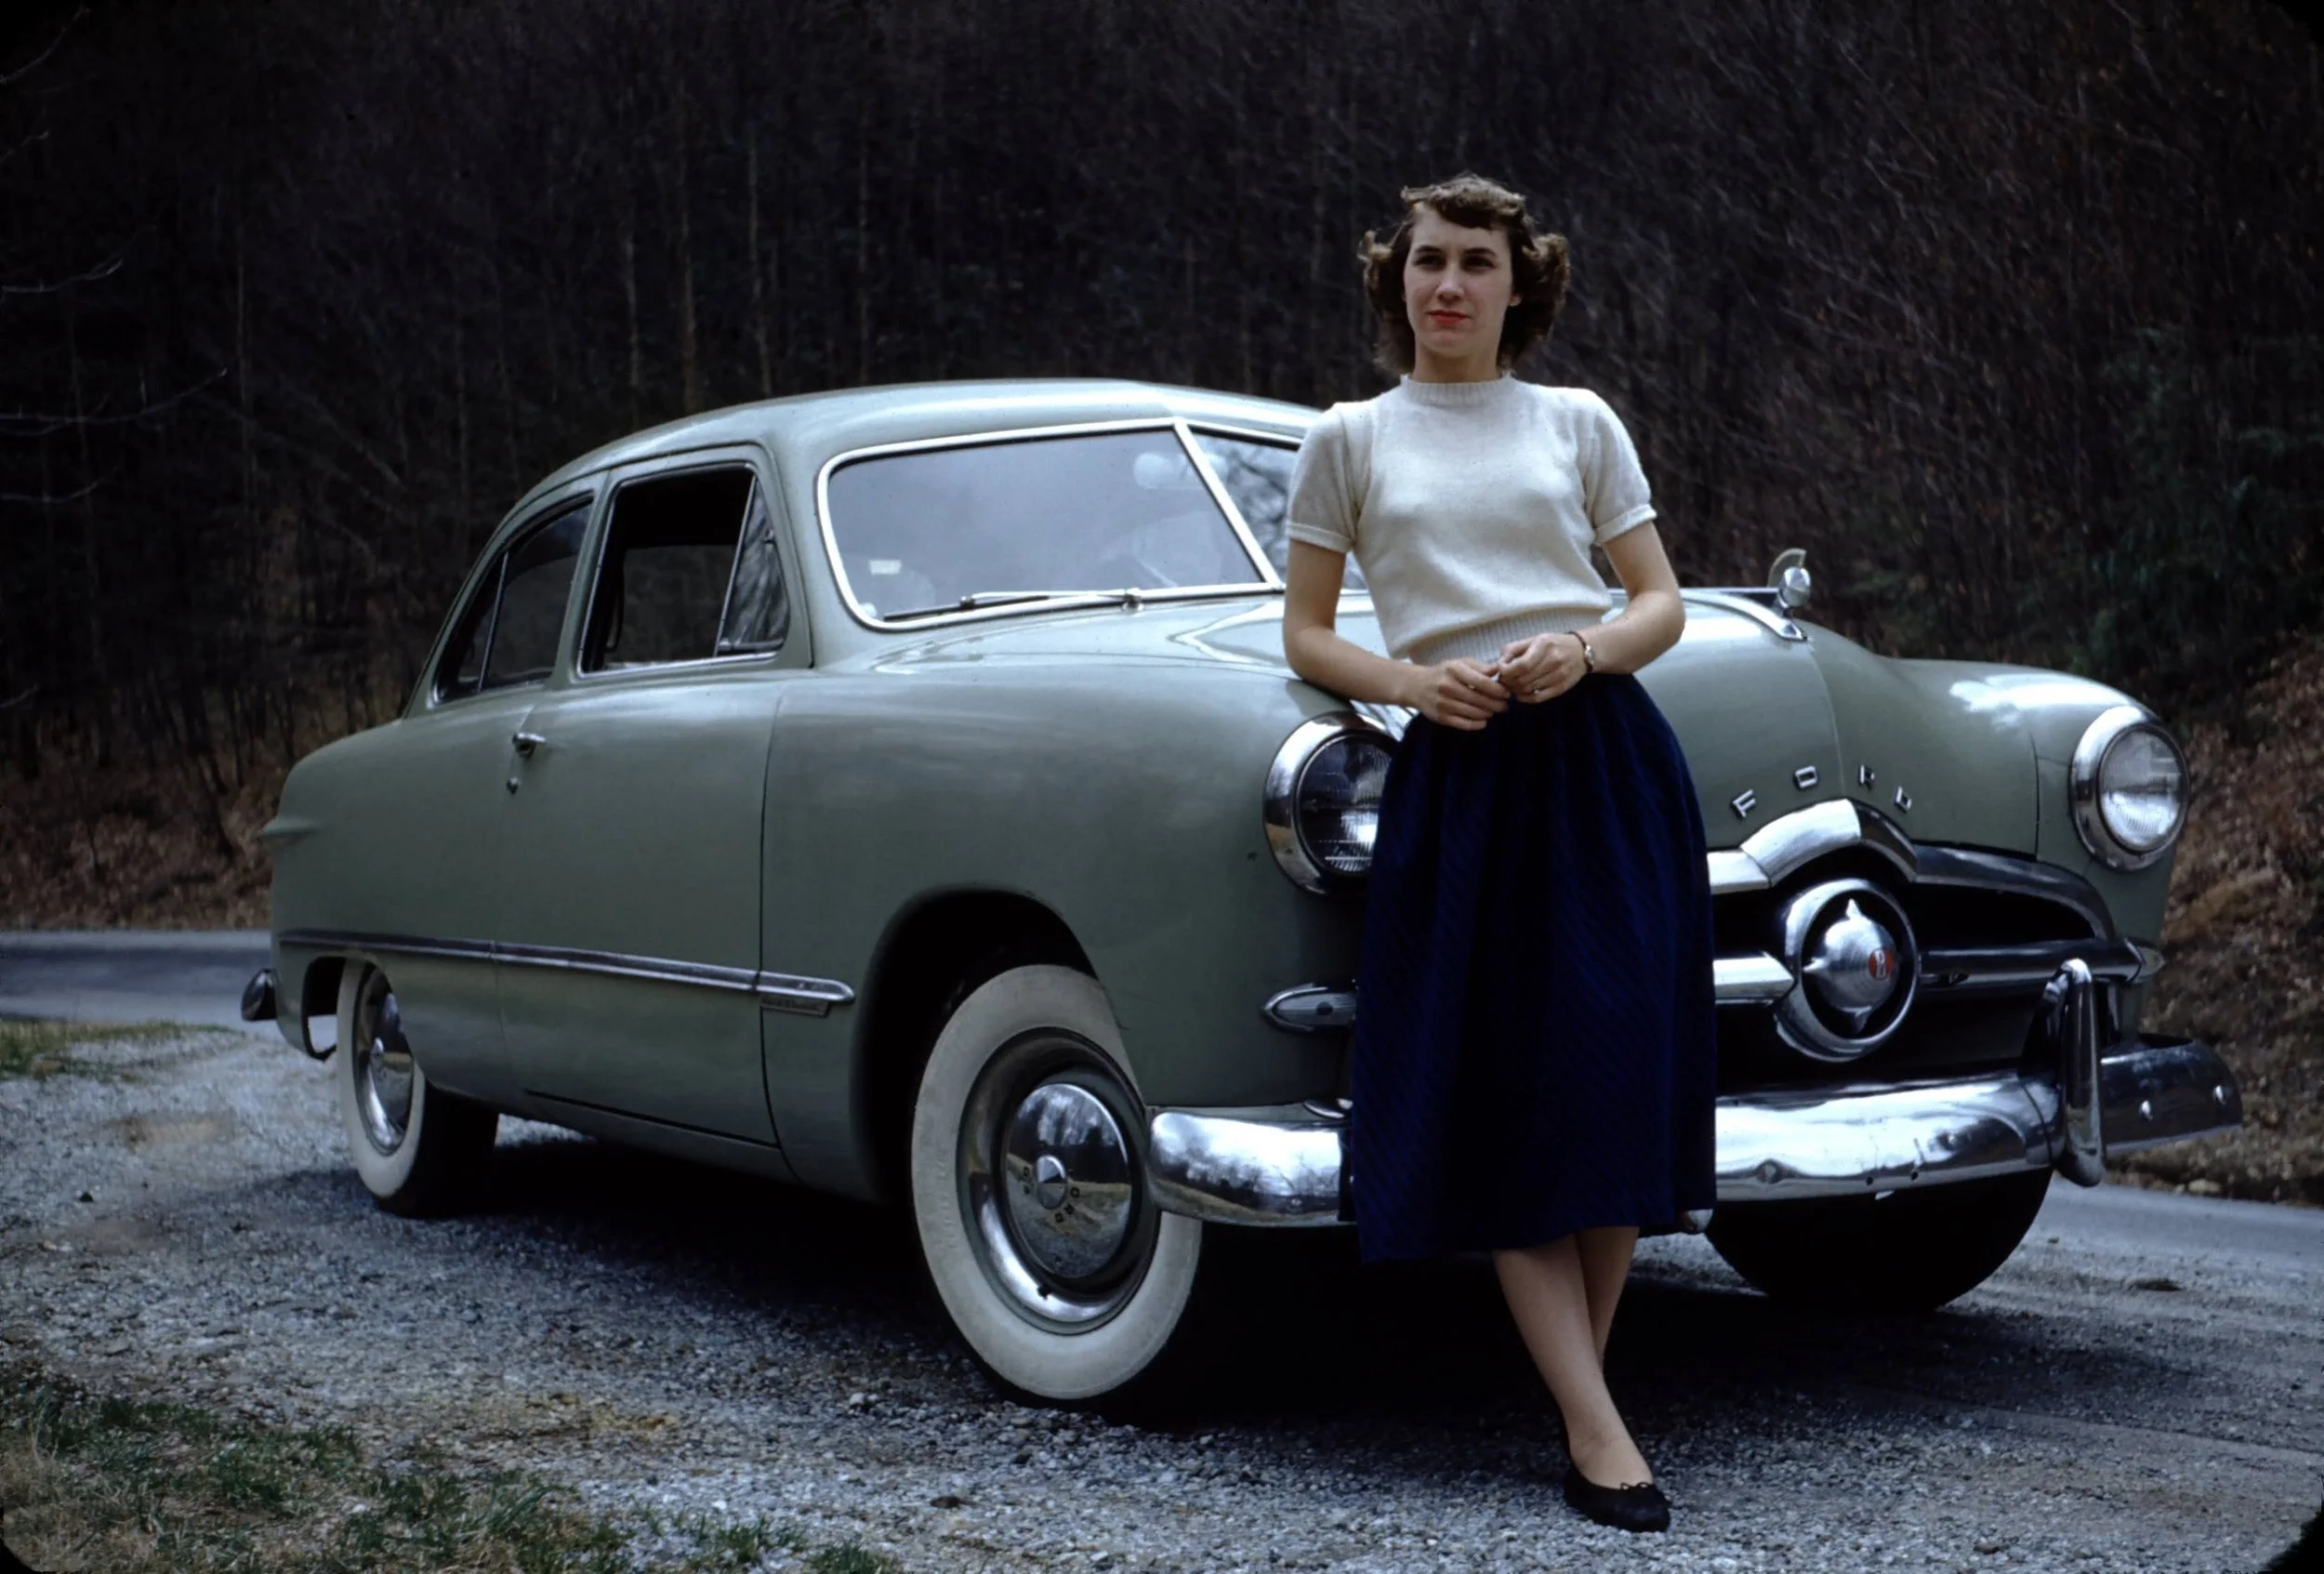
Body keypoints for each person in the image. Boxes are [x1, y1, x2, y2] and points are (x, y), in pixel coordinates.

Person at [1279, 172, 1718, 1536]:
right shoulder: (1348, 439)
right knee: (1517, 1097)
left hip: (1604, 766)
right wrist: (1411, 689)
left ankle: (1583, 1407)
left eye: (1476, 261)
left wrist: (1581, 647)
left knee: (1610, 1079)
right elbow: (1307, 637)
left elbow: (1661, 603)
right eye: (1426, 262)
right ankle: (1598, 1433)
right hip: (1461, 783)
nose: (1448, 285)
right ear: (1393, 279)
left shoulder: (1577, 422)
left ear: (1520, 283)